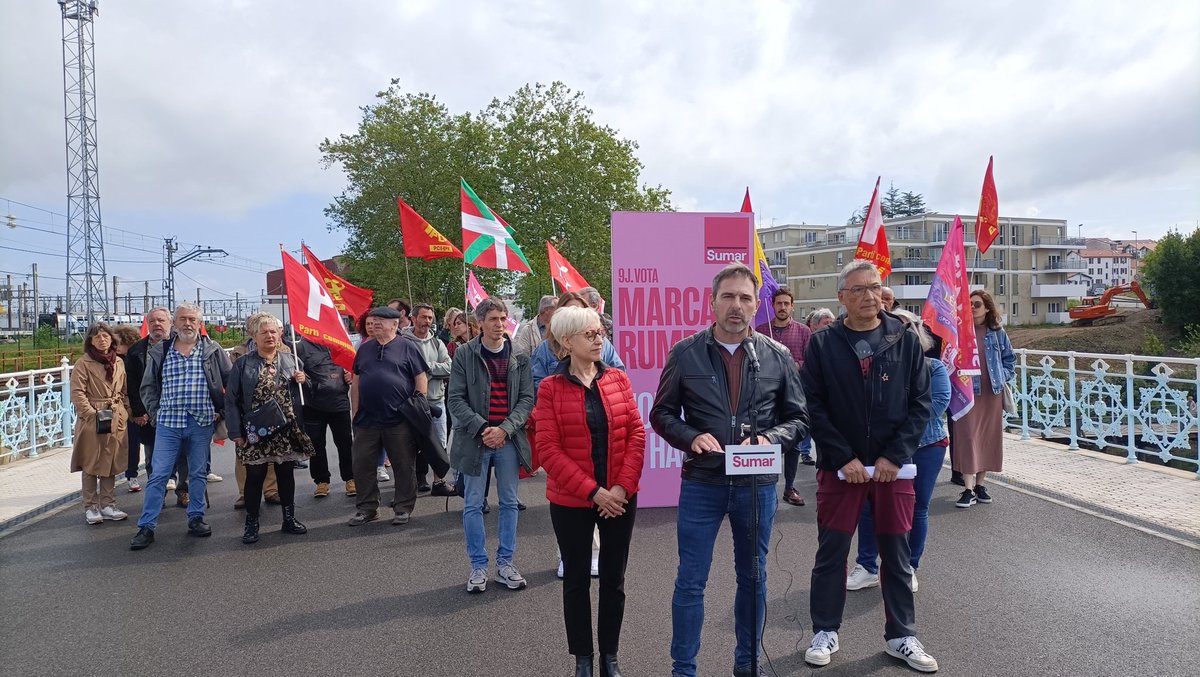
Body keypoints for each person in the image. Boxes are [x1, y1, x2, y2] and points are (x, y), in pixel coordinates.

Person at [651, 263, 807, 677]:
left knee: (753, 579)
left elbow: (799, 419)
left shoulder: (777, 355)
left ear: (757, 305)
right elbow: (662, 413)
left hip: (756, 485)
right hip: (703, 482)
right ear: (712, 301)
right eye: (728, 296)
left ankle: (747, 665)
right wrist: (690, 437)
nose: (736, 306)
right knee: (690, 582)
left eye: (745, 298)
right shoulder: (685, 352)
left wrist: (771, 438)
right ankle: (683, 669)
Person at [801, 260, 936, 672]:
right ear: (842, 297)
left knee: (896, 552)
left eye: (874, 288)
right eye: (857, 290)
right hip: (841, 468)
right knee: (832, 551)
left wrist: (893, 456)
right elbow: (814, 406)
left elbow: (921, 405)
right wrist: (844, 457)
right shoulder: (823, 344)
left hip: (894, 469)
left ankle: (902, 635)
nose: (868, 296)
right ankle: (825, 629)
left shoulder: (905, 339)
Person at [533, 305, 645, 677]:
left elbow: (636, 436)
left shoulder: (618, 380)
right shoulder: (549, 389)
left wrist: (620, 489)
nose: (600, 339)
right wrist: (594, 492)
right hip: (572, 501)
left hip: (620, 498)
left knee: (614, 579)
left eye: (601, 332)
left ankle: (609, 657)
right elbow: (548, 449)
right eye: (590, 334)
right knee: (577, 580)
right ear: (566, 342)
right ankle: (583, 658)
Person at [846, 309, 950, 594]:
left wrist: (891, 418)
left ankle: (909, 567)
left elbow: (936, 406)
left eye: (903, 329)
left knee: (917, 508)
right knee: (870, 507)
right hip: (878, 449)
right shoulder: (875, 367)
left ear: (916, 334)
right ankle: (867, 567)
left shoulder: (934, 368)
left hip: (925, 447)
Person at [447, 297, 535, 594]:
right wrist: (483, 427)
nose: (499, 324)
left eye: (502, 318)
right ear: (480, 322)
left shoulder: (520, 355)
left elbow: (526, 399)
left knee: (509, 502)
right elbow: (455, 399)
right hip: (476, 440)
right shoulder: (464, 354)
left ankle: (506, 564)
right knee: (472, 504)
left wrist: (505, 429)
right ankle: (478, 566)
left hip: (508, 439)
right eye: (493, 319)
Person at [131, 302, 233, 550]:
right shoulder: (161, 351)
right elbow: (148, 387)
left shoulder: (212, 350)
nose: (188, 323)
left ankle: (196, 518)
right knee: (158, 475)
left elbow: (230, 383)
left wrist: (221, 411)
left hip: (201, 422)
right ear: (175, 323)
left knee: (198, 473)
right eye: (183, 319)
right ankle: (147, 526)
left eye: (192, 319)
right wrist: (155, 414)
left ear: (200, 324)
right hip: (168, 424)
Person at [225, 313, 315, 543]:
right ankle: (252, 523)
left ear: (280, 334)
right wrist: (236, 432)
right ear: (254, 336)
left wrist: (305, 380)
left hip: (286, 429)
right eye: (264, 332)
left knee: (286, 475)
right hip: (256, 429)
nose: (269, 336)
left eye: (273, 331)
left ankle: (289, 518)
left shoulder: (290, 360)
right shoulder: (243, 364)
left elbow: (309, 392)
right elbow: (232, 400)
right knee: (255, 476)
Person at [346, 306, 428, 526]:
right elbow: (356, 381)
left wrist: (417, 405)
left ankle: (403, 508)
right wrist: (355, 411)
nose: (375, 323)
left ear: (395, 324)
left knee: (403, 465)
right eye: (373, 320)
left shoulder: (407, 347)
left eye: (381, 320)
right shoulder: (364, 349)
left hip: (399, 420)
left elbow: (421, 377)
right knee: (362, 465)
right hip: (366, 420)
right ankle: (367, 508)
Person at [953, 289, 1016, 509]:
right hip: (967, 394)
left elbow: (1010, 360)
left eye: (977, 304)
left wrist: (1001, 375)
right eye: (969, 304)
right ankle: (967, 488)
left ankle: (980, 485)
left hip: (991, 394)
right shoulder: (961, 332)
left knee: (987, 439)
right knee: (968, 438)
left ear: (987, 308)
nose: (971, 307)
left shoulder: (997, 331)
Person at [125, 307, 190, 502]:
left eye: (161, 320)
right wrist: (139, 411)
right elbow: (133, 384)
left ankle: (183, 490)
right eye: (152, 321)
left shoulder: (183, 345)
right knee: (153, 458)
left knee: (183, 457)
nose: (157, 324)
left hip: (181, 412)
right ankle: (157, 495)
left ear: (171, 323)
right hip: (151, 414)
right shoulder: (137, 351)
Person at [755, 287, 812, 506]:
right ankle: (767, 489)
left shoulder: (803, 331)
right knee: (766, 441)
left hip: (794, 395)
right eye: (779, 303)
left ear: (792, 306)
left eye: (786, 303)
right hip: (766, 396)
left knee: (793, 443)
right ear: (773, 305)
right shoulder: (761, 330)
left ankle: (789, 487)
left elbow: (810, 362)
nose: (783, 307)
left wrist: (795, 365)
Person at [71, 323, 130, 525]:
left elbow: (124, 391)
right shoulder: (83, 363)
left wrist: (127, 411)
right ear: (90, 341)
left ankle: (108, 504)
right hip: (94, 417)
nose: (102, 340)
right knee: (90, 463)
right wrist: (90, 414)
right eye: (97, 337)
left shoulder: (119, 362)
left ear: (111, 339)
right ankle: (91, 506)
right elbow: (77, 393)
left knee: (110, 462)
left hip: (115, 415)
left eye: (105, 336)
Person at [401, 302, 456, 496]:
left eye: (430, 318)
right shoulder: (402, 342)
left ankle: (439, 482)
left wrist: (424, 368)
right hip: (411, 403)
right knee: (411, 445)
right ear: (413, 318)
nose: (427, 322)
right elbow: (402, 371)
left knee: (439, 443)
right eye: (423, 317)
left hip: (436, 400)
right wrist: (421, 372)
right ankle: (412, 485)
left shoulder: (437, 343)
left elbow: (449, 367)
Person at [293, 332, 354, 498]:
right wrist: (301, 377)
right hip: (313, 404)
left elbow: (353, 365)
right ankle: (321, 481)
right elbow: (294, 370)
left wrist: (350, 373)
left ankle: (351, 478)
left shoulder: (339, 342)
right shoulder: (301, 346)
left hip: (339, 402)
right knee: (316, 445)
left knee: (345, 442)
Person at [532, 292, 625, 392]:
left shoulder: (604, 343)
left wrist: (604, 395)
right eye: (570, 311)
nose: (598, 341)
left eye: (580, 310)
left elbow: (619, 375)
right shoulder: (546, 348)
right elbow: (537, 385)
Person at [112, 324, 143, 492]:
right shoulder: (112, 360)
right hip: (119, 407)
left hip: (135, 405)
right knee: (129, 442)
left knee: (134, 441)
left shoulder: (134, 357)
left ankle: (132, 474)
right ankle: (129, 475)